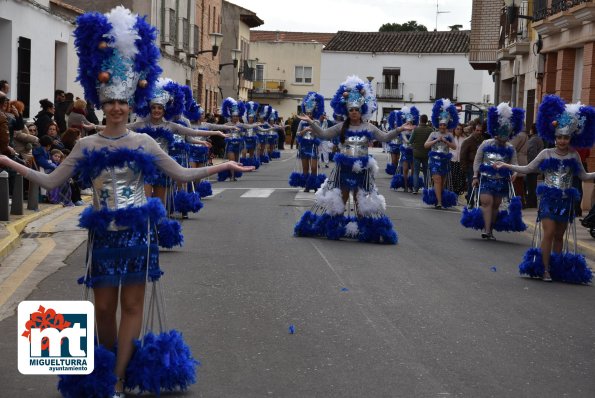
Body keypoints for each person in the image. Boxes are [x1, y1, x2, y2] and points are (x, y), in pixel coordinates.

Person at [0, 7, 253, 398]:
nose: (117, 107)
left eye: (123, 100)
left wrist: (223, 165)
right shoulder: (86, 144)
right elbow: (51, 180)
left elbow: (181, 175)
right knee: (103, 308)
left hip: (138, 235)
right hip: (104, 238)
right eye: (110, 101)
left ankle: (117, 379)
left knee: (133, 306)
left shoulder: (145, 142)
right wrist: (7, 161)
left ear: (129, 101)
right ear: (102, 102)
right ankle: (108, 364)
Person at [294, 75, 413, 243]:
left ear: (361, 110)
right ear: (347, 111)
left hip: (362, 171)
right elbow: (324, 134)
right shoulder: (341, 127)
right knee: (341, 199)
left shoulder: (369, 127)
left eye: (357, 109)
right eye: (351, 110)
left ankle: (363, 228)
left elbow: (385, 137)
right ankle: (336, 227)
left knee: (360, 201)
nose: (354, 112)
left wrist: (400, 129)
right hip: (343, 170)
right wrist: (312, 123)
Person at [495, 95, 595, 283]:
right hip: (548, 199)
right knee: (548, 233)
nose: (562, 141)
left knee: (559, 236)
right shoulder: (545, 153)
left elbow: (584, 176)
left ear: (570, 138)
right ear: (554, 137)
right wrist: (507, 166)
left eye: (565, 137)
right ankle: (545, 268)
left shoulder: (574, 156)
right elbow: (528, 169)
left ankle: (556, 267)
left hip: (566, 201)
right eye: (559, 137)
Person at [461, 102, 526, 240]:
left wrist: (514, 173)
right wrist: (474, 176)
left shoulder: (510, 148)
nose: (503, 135)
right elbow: (477, 161)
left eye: (506, 133)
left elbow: (514, 164)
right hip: (485, 179)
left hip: (501, 181)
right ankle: (486, 230)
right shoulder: (485, 144)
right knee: (487, 202)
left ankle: (490, 228)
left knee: (496, 205)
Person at [422, 99, 458, 208]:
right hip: (434, 161)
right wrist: (436, 140)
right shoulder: (433, 133)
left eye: (444, 125)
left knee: (442, 182)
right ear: (438, 124)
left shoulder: (450, 135)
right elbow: (426, 145)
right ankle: (439, 202)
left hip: (445, 161)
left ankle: (439, 198)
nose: (442, 127)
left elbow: (454, 147)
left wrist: (446, 142)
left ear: (447, 126)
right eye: (441, 125)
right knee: (437, 180)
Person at [290, 91, 326, 191]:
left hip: (313, 146)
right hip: (304, 146)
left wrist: (313, 129)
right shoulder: (302, 122)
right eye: (308, 113)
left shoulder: (317, 122)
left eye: (311, 113)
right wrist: (304, 130)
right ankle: (307, 185)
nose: (309, 115)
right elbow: (297, 134)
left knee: (314, 167)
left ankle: (314, 184)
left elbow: (320, 133)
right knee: (305, 168)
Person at [389, 106, 419, 192]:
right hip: (406, 151)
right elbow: (405, 140)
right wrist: (410, 142)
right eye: (407, 122)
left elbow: (416, 138)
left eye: (410, 122)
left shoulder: (415, 130)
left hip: (413, 151)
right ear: (405, 122)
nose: (409, 124)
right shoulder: (403, 131)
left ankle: (411, 185)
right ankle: (405, 185)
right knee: (405, 169)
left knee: (413, 169)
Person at [460, 121, 487, 203]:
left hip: (481, 166)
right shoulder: (468, 141)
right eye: (477, 130)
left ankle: (479, 201)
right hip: (470, 166)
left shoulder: (483, 140)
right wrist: (464, 167)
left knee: (480, 185)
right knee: (471, 185)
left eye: (480, 131)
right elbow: (463, 155)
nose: (479, 132)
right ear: (473, 130)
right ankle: (470, 201)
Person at [409, 114, 433, 194]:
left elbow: (410, 141)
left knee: (416, 172)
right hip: (426, 153)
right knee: (426, 172)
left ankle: (415, 189)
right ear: (426, 120)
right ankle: (426, 188)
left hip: (416, 153)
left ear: (420, 120)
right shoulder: (430, 130)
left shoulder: (416, 129)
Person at [525, 123, 543, 208]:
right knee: (532, 186)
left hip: (532, 167)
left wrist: (529, 165)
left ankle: (531, 203)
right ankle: (533, 202)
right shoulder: (539, 139)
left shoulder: (533, 140)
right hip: (536, 167)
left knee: (531, 186)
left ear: (532, 129)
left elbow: (532, 153)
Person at [450, 123, 467, 196]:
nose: (459, 131)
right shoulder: (451, 138)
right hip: (451, 160)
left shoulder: (464, 139)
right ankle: (451, 194)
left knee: (459, 179)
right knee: (452, 178)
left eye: (460, 129)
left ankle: (456, 194)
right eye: (457, 129)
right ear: (454, 129)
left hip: (460, 161)